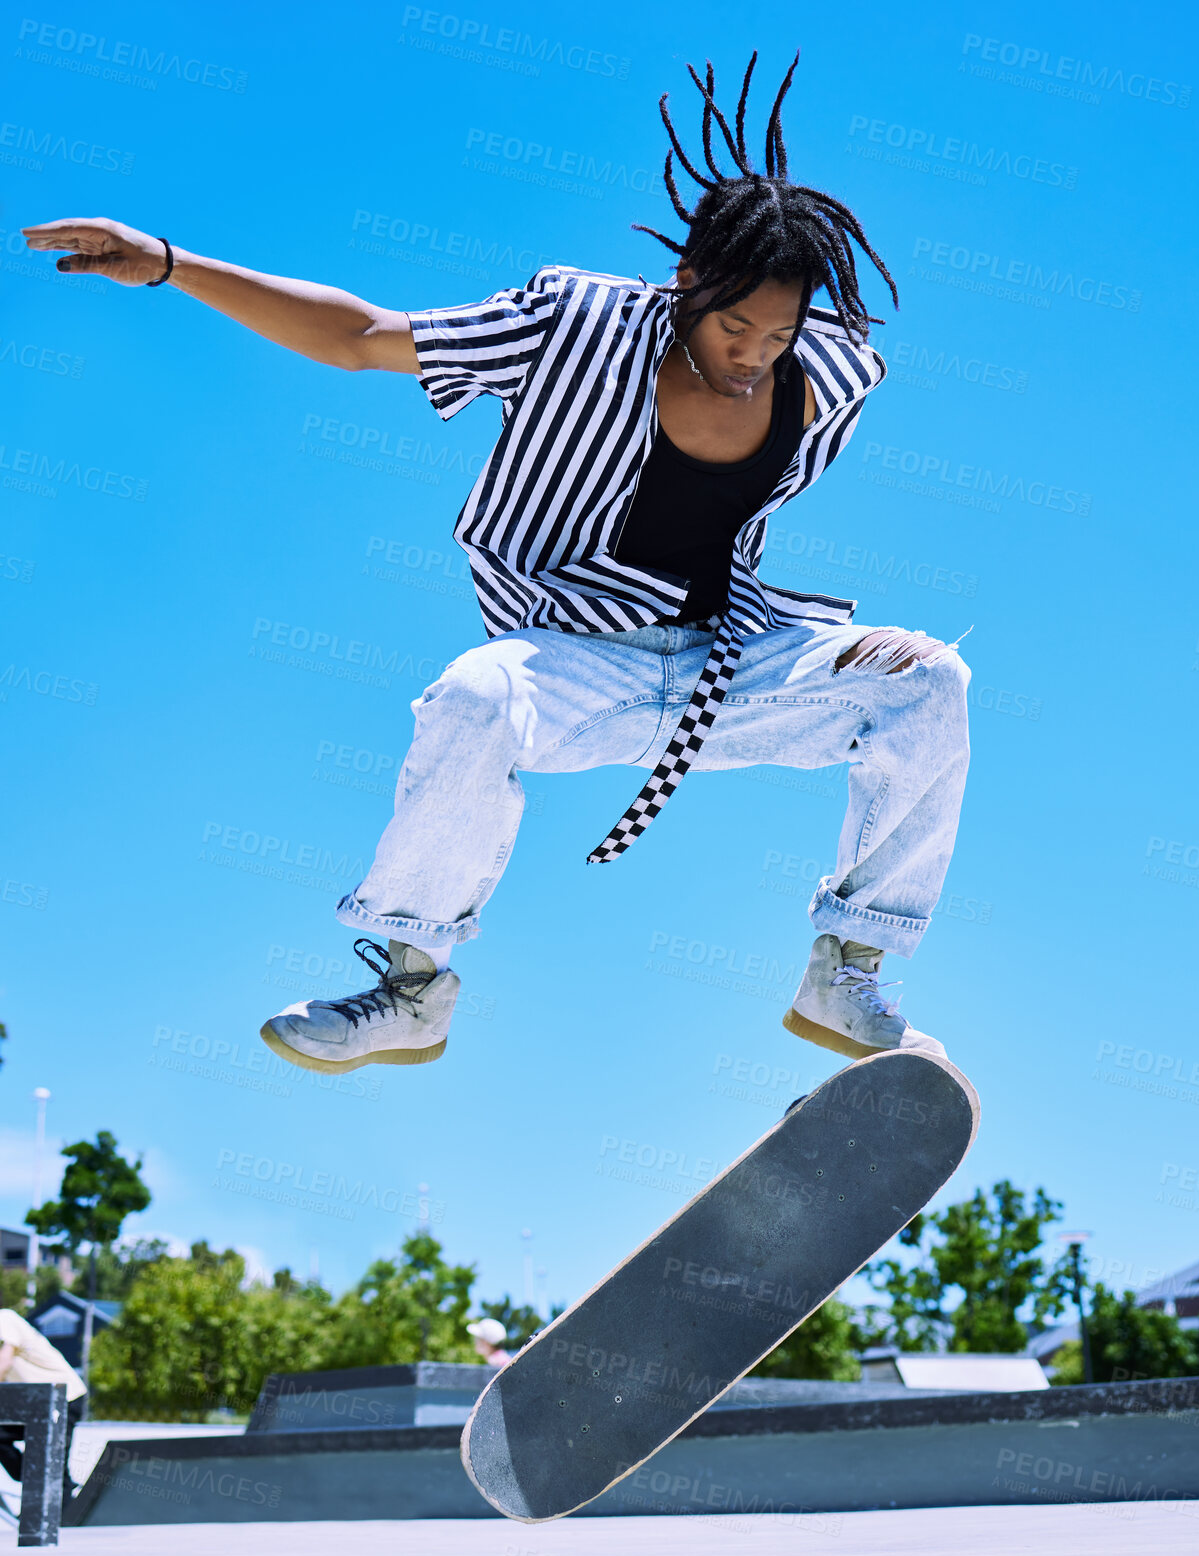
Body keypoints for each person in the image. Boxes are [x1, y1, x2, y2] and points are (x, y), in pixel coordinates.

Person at [24, 51, 970, 1071]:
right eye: (736, 325)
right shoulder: (573, 325)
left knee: (928, 678)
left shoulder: (830, 374)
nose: (754, 355)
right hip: (575, 660)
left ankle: (850, 968)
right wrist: (172, 262)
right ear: (686, 281)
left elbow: (808, 364)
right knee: (473, 697)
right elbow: (365, 337)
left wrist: (786, 353)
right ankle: (413, 985)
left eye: (777, 335)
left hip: (732, 664)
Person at [0, 1308, 87, 1498]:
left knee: (53, 1458)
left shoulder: (4, 1318)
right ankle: (36, 1479)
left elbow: (4, 1361)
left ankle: (63, 1506)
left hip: (63, 1396)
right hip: (33, 1404)